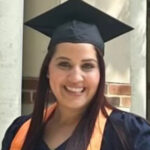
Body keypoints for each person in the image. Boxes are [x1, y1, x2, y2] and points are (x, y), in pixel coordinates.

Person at [2, 0, 150, 150]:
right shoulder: (20, 131)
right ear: (48, 70)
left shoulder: (130, 135)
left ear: (100, 73)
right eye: (64, 64)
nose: (75, 78)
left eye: (87, 66)